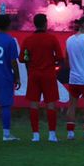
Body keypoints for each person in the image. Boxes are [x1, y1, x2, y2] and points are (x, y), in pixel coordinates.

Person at [20, 14, 64, 142]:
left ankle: (35, 135)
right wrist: (54, 63)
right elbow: (59, 57)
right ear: (45, 23)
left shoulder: (28, 40)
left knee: (34, 104)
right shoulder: (52, 39)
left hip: (33, 74)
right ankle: (52, 135)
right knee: (51, 104)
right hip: (49, 74)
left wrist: (31, 61)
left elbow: (23, 58)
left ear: (34, 24)